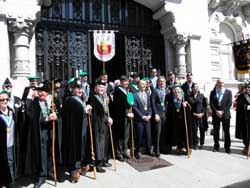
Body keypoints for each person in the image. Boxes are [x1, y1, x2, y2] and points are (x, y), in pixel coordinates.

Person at [23, 80, 58, 188]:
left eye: (44, 91)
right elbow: (32, 117)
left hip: (51, 131)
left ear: (48, 92)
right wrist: (46, 118)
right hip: (40, 132)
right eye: (40, 91)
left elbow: (59, 112)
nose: (42, 93)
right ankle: (42, 175)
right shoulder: (34, 103)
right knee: (42, 153)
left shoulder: (52, 101)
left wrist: (56, 116)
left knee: (50, 152)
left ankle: (51, 171)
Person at [62, 78, 92, 183]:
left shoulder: (82, 99)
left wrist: (87, 109)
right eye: (77, 88)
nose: (80, 90)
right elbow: (76, 110)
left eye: (80, 88)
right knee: (75, 149)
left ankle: (81, 165)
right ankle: (74, 170)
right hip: (74, 131)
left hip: (83, 128)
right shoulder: (69, 100)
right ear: (72, 89)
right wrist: (85, 109)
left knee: (83, 147)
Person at [88, 80, 113, 172]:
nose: (102, 89)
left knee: (106, 142)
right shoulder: (93, 98)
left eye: (103, 87)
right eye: (100, 87)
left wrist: (109, 118)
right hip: (98, 124)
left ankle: (104, 160)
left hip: (105, 123)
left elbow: (106, 111)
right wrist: (107, 119)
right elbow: (97, 113)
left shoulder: (104, 97)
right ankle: (98, 163)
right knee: (99, 144)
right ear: (96, 88)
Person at [0, 90, 19, 188]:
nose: (4, 101)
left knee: (11, 162)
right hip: (1, 144)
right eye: (2, 100)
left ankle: (11, 181)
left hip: (11, 143)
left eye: (6, 99)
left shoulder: (11, 112)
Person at [112, 75, 134, 161]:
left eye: (127, 81)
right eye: (125, 81)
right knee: (120, 136)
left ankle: (125, 151)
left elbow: (130, 102)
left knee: (126, 135)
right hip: (120, 117)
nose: (127, 83)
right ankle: (119, 153)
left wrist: (130, 112)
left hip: (127, 116)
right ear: (121, 82)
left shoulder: (128, 90)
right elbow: (118, 106)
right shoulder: (117, 91)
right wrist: (126, 114)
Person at [167, 84, 193, 155]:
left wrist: (186, 104)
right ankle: (179, 146)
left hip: (185, 119)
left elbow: (191, 105)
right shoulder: (172, 98)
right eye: (175, 91)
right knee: (178, 133)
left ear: (181, 91)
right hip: (176, 119)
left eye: (178, 91)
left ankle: (188, 147)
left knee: (186, 132)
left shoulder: (185, 97)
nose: (177, 93)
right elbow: (170, 108)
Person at [209, 79, 232, 154]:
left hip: (225, 115)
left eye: (222, 82)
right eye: (219, 83)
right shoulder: (213, 92)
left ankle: (227, 147)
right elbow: (211, 103)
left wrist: (222, 111)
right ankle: (216, 146)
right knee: (216, 131)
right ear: (217, 83)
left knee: (226, 132)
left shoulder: (228, 92)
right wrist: (216, 111)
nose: (221, 84)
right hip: (216, 115)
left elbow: (229, 104)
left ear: (224, 83)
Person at [133, 79, 154, 159]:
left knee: (148, 135)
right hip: (139, 119)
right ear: (138, 85)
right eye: (142, 84)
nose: (144, 86)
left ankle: (148, 150)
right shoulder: (135, 95)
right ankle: (137, 151)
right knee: (139, 136)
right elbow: (135, 108)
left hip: (147, 118)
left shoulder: (148, 94)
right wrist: (142, 116)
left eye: (145, 84)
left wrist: (149, 115)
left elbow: (149, 106)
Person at [151, 76, 170, 156]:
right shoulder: (155, 91)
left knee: (163, 132)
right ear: (158, 82)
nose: (162, 83)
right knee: (158, 132)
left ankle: (163, 148)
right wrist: (155, 114)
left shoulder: (167, 91)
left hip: (164, 114)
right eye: (160, 81)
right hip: (158, 114)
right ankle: (157, 150)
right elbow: (153, 103)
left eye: (163, 81)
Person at [189, 83, 208, 149]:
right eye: (194, 87)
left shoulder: (202, 96)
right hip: (193, 116)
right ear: (192, 88)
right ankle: (195, 144)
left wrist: (202, 113)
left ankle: (202, 143)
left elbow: (205, 106)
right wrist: (194, 114)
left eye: (197, 87)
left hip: (201, 116)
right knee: (194, 130)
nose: (196, 88)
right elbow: (189, 107)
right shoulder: (189, 96)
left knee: (202, 130)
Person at [235, 81, 250, 155]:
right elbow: (241, 105)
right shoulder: (241, 96)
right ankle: (246, 147)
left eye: (248, 87)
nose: (247, 89)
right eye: (246, 87)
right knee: (246, 134)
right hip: (245, 119)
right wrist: (247, 107)